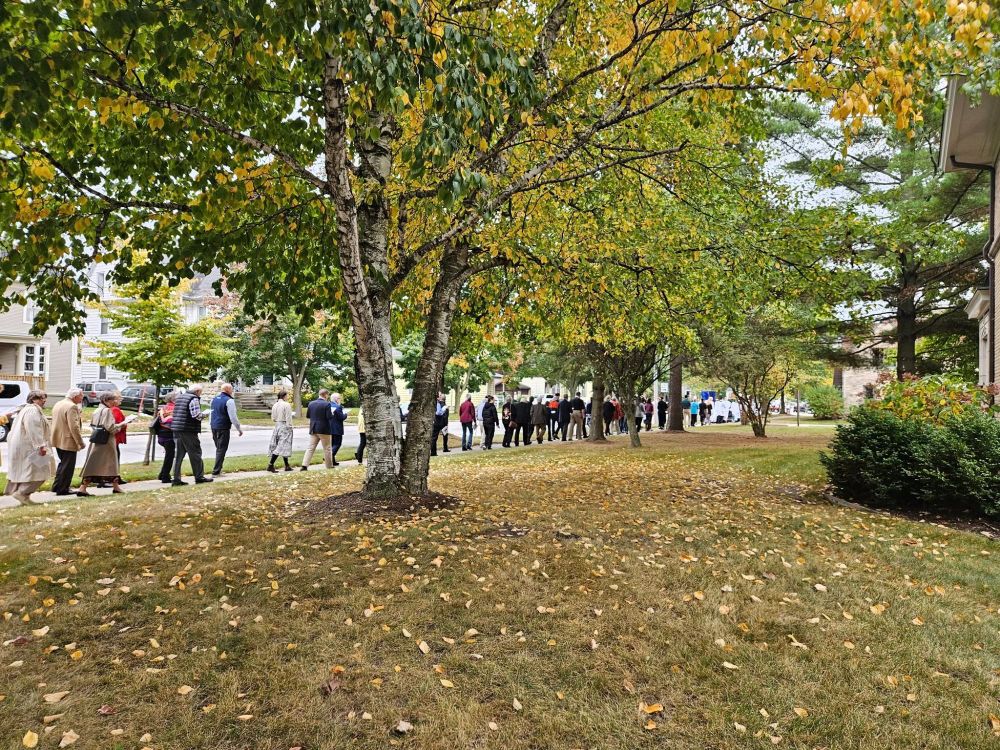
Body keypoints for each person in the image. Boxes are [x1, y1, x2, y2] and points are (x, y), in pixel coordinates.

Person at [3, 390, 53, 505]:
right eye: (41, 398)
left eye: (45, 398)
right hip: (30, 447)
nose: (44, 400)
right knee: (42, 471)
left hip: (25, 447)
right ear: (33, 399)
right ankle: (22, 493)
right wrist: (41, 446)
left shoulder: (26, 409)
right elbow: (34, 429)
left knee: (26, 472)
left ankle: (24, 496)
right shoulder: (32, 410)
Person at [77, 391, 127, 496]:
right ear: (106, 400)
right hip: (107, 442)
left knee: (92, 465)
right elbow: (111, 428)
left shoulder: (97, 410)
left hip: (97, 441)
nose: (115, 402)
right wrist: (122, 425)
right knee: (111, 465)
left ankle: (83, 488)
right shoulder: (107, 411)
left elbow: (93, 424)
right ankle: (116, 488)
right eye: (113, 400)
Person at [172, 384, 211, 485]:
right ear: (197, 391)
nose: (200, 394)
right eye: (200, 392)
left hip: (177, 428)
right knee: (195, 453)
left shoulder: (180, 397)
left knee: (179, 455)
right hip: (188, 430)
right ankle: (199, 477)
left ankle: (176, 479)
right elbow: (196, 415)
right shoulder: (193, 399)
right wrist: (206, 414)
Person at [50, 388, 86, 497]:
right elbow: (74, 427)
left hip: (58, 438)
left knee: (63, 463)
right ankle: (63, 489)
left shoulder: (59, 403)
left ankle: (57, 486)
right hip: (67, 440)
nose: (82, 398)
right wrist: (80, 442)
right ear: (75, 396)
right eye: (81, 396)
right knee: (68, 466)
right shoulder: (72, 406)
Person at [210, 383, 243, 476]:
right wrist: (239, 429)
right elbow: (233, 417)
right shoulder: (229, 401)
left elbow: (211, 413)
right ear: (228, 389)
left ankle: (219, 469)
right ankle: (216, 471)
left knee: (219, 448)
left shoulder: (214, 399)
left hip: (214, 426)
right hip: (223, 427)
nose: (232, 391)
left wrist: (211, 425)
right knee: (221, 449)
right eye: (232, 389)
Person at [301, 388, 334, 470]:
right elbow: (329, 417)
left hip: (313, 428)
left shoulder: (311, 403)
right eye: (328, 395)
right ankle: (329, 466)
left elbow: (308, 416)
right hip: (324, 429)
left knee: (310, 448)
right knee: (327, 448)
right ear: (326, 395)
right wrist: (332, 413)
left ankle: (304, 465)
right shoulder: (327, 404)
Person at [267, 390, 294, 472]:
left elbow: (273, 418)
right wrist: (290, 426)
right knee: (281, 446)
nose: (288, 397)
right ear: (284, 396)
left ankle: (287, 465)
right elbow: (288, 417)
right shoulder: (286, 405)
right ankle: (270, 465)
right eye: (287, 395)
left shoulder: (275, 405)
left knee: (282, 444)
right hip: (284, 425)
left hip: (277, 425)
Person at [155, 392, 177, 483]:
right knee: (169, 457)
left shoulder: (163, 408)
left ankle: (162, 474)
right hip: (169, 436)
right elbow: (172, 423)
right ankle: (165, 477)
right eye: (177, 398)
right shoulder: (174, 409)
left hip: (161, 435)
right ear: (173, 399)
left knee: (168, 456)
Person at [330, 392, 348, 465]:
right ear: (336, 399)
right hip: (337, 428)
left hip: (330, 428)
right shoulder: (338, 407)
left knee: (332, 444)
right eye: (339, 398)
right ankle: (329, 456)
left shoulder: (328, 405)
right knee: (337, 444)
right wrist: (346, 414)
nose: (340, 399)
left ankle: (332, 461)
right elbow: (341, 417)